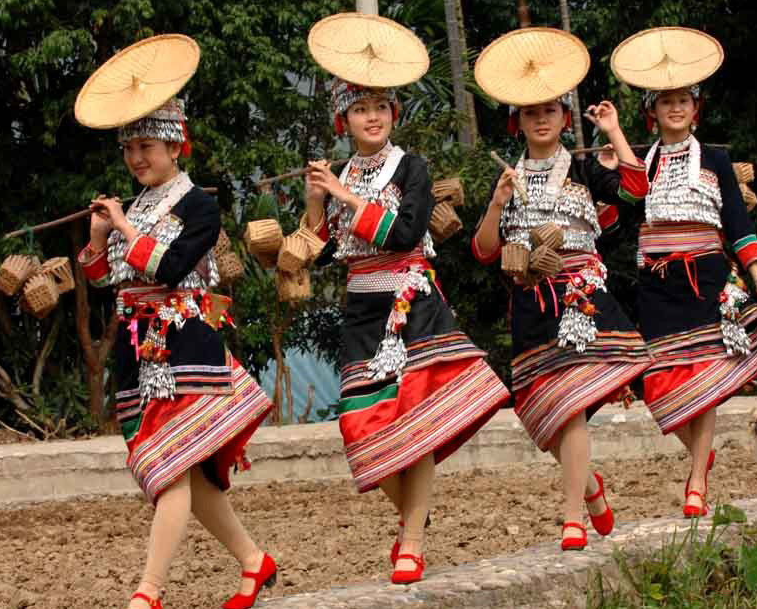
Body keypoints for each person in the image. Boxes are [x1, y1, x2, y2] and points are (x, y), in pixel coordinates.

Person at [303, 79, 510, 583]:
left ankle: (412, 541)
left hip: (409, 301)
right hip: (360, 309)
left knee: (415, 424)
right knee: (358, 424)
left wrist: (345, 197)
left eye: (380, 107)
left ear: (393, 113)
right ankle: (415, 513)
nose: (372, 117)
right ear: (343, 121)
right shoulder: (340, 174)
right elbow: (320, 250)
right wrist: (315, 201)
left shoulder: (411, 167)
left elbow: (404, 234)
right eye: (359, 110)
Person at [78, 97, 275, 609]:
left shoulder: (199, 206)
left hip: (184, 346)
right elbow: (112, 283)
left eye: (145, 146)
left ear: (174, 144)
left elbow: (169, 269)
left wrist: (122, 228)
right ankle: (255, 561)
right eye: (128, 149)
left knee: (170, 472)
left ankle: (149, 592)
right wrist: (99, 240)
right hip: (135, 353)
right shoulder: (135, 205)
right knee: (185, 477)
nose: (136, 158)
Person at [472, 92, 653, 551]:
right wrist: (497, 203)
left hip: (580, 297)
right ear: (518, 122)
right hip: (531, 303)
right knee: (542, 418)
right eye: (530, 112)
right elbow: (484, 250)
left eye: (549, 111)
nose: (540, 119)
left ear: (565, 118)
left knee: (569, 408)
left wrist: (613, 130)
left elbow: (635, 189)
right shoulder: (508, 176)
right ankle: (589, 486)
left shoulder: (584, 168)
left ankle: (572, 518)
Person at [628, 81, 757, 518]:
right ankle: (702, 455)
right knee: (656, 383)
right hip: (656, 286)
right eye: (667, 101)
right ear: (653, 111)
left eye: (683, 101)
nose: (676, 108)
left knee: (703, 380)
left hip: (705, 281)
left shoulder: (715, 160)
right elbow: (613, 209)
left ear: (695, 109)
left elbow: (737, 222)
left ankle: (697, 479)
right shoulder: (641, 164)